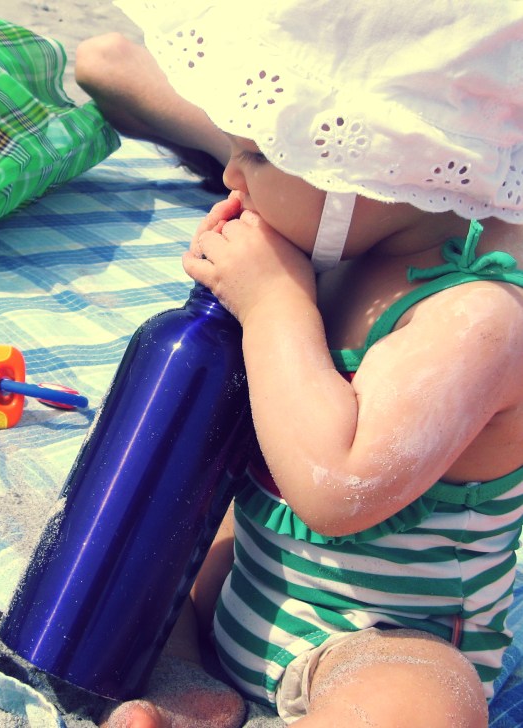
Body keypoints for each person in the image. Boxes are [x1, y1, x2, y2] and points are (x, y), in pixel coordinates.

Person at [74, 1, 523, 726]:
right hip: (245, 583)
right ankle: (186, 679)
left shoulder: (476, 317)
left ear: (365, 164)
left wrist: (275, 305)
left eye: (256, 153)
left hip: (373, 639)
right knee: (145, 544)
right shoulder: (333, 249)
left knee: (419, 697)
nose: (228, 175)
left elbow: (340, 490)